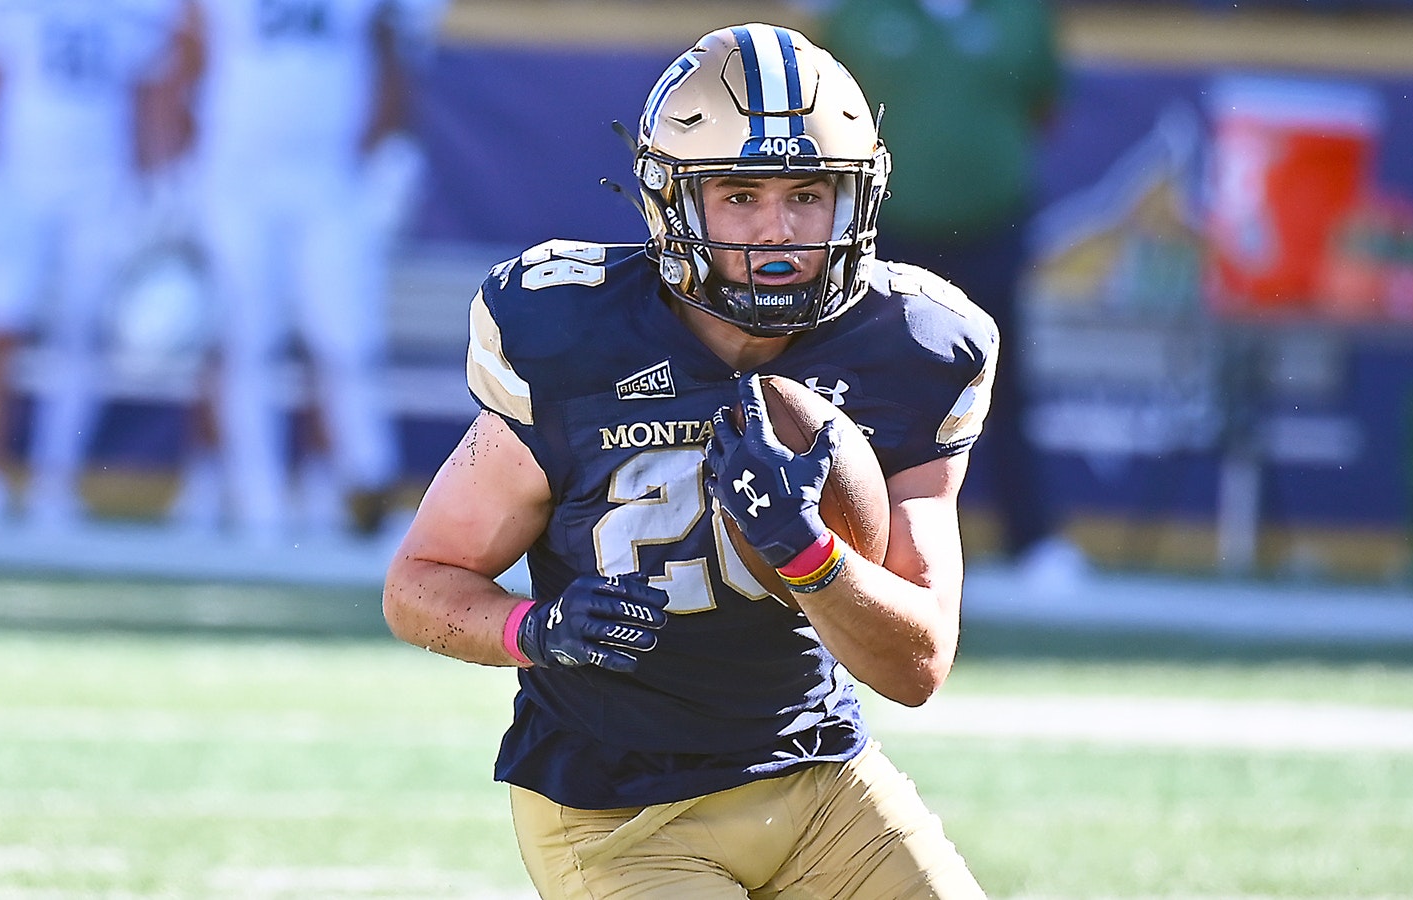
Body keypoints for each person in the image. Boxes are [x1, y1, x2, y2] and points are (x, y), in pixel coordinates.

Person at [383, 23, 993, 897]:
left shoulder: (915, 346)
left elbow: (917, 664)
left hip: (821, 780)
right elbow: (418, 586)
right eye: (739, 195)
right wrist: (537, 629)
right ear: (672, 202)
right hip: (616, 810)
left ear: (857, 199)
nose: (778, 233)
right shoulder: (573, 339)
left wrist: (808, 555)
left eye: (808, 193)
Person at [812, 0, 1085, 586]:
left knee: (1001, 382)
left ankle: (1031, 540)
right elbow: (822, 121)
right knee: (866, 386)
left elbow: (1041, 103)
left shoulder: (1020, 14)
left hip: (992, 229)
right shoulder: (858, 15)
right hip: (881, 233)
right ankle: (867, 540)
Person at [170, 0, 436, 543]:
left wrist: (383, 147)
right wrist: (179, 171)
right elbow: (184, 60)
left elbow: (390, 56)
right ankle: (256, 499)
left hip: (330, 179)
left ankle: (367, 489)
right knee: (246, 341)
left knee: (348, 341)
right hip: (236, 177)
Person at [0, 0, 194, 528]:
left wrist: (155, 182)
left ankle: (54, 480)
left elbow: (150, 93)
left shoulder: (131, 14)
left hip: (98, 187)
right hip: (19, 184)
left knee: (79, 337)